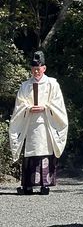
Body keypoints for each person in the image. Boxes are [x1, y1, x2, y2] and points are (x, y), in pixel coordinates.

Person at [9, 50, 69, 196]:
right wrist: (28, 107)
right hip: (30, 123)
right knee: (30, 151)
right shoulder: (25, 85)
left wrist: (46, 107)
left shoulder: (52, 84)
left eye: (39, 68)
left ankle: (45, 184)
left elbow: (58, 104)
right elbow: (19, 105)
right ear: (31, 69)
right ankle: (28, 185)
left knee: (45, 150)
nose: (36, 71)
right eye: (34, 69)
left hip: (46, 122)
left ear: (44, 68)